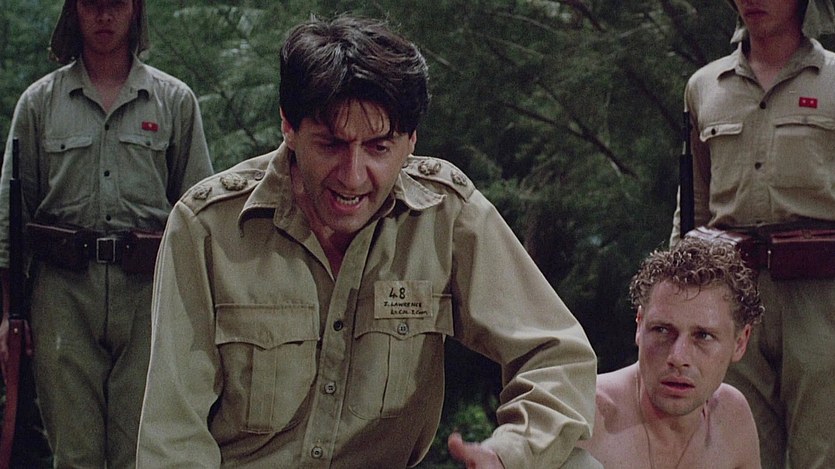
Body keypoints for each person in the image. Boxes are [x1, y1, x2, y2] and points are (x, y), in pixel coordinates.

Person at [136, 14, 600, 468]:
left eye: (379, 147)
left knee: (574, 464)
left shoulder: (445, 213)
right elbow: (173, 437)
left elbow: (557, 356)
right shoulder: (207, 227)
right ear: (289, 127)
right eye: (331, 145)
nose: (353, 176)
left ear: (411, 140)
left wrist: (508, 452)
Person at [0, 0, 214, 466]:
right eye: (91, 4)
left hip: (148, 294)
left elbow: (199, 213)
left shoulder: (174, 100)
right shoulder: (39, 103)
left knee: (139, 450)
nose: (103, 16)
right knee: (73, 453)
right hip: (63, 295)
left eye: (115, 3)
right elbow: (11, 220)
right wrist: (9, 314)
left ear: (134, 9)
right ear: (73, 11)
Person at [670, 0, 835, 467]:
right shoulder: (704, 87)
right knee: (739, 446)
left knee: (824, 447)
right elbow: (694, 204)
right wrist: (675, 290)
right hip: (731, 295)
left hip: (822, 299)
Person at [578, 237, 763, 469]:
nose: (678, 357)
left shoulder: (732, 417)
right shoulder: (586, 417)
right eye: (662, 330)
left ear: (740, 342)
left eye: (703, 336)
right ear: (639, 325)